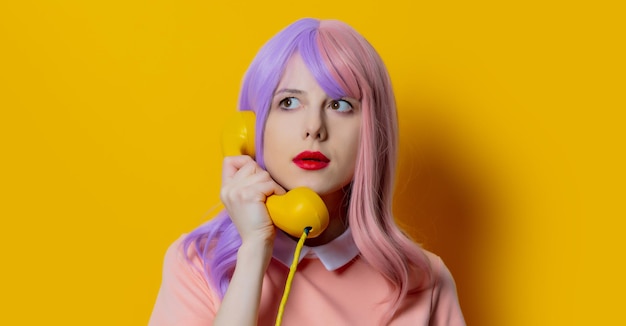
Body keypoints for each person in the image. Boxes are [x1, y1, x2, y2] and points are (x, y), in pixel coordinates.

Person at [149, 18, 465, 325]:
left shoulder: (423, 281)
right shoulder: (197, 264)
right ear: (251, 128)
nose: (314, 128)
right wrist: (254, 249)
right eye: (289, 102)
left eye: (340, 105)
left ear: (372, 131)